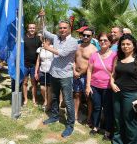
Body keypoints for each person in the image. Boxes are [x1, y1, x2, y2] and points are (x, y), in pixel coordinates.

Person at [40, 10, 78, 138]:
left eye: (64, 28)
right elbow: (44, 32)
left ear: (69, 29)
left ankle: (70, 125)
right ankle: (55, 116)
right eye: (60, 28)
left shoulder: (73, 41)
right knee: (54, 97)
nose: (62, 30)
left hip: (66, 76)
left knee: (68, 101)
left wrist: (47, 47)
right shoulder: (56, 37)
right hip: (54, 73)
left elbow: (61, 53)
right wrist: (42, 18)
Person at [110, 34, 137, 144]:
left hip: (132, 95)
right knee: (117, 119)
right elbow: (113, 75)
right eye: (123, 44)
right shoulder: (118, 58)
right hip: (117, 93)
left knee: (130, 121)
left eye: (128, 44)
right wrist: (111, 83)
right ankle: (117, 141)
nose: (125, 46)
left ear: (134, 45)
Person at [86, 32, 116, 140]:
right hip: (95, 86)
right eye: (101, 40)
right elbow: (89, 70)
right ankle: (96, 126)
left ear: (110, 43)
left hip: (108, 87)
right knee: (97, 107)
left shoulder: (114, 56)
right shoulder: (94, 55)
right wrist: (88, 86)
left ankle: (108, 131)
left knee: (108, 110)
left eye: (105, 40)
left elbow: (115, 72)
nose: (103, 42)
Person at [73, 28, 97, 124]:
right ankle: (75, 115)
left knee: (88, 97)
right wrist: (74, 71)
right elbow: (74, 60)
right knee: (76, 94)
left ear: (92, 36)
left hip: (86, 76)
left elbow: (92, 65)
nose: (86, 37)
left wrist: (80, 73)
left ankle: (89, 117)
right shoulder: (77, 46)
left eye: (88, 35)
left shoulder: (94, 49)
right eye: (84, 35)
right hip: (75, 75)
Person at [23, 23, 41, 106]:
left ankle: (34, 99)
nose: (32, 29)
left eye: (33, 28)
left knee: (34, 83)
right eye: (30, 28)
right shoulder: (23, 38)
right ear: (27, 29)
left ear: (35, 29)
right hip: (24, 64)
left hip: (34, 65)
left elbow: (41, 51)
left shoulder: (38, 39)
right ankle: (25, 99)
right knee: (25, 82)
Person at [34, 38, 54, 111]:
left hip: (51, 71)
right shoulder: (40, 49)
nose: (45, 41)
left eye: (47, 40)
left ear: (50, 41)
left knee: (49, 89)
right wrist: (36, 72)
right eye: (44, 40)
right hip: (42, 70)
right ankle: (45, 100)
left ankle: (48, 104)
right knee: (42, 88)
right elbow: (38, 61)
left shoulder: (53, 48)